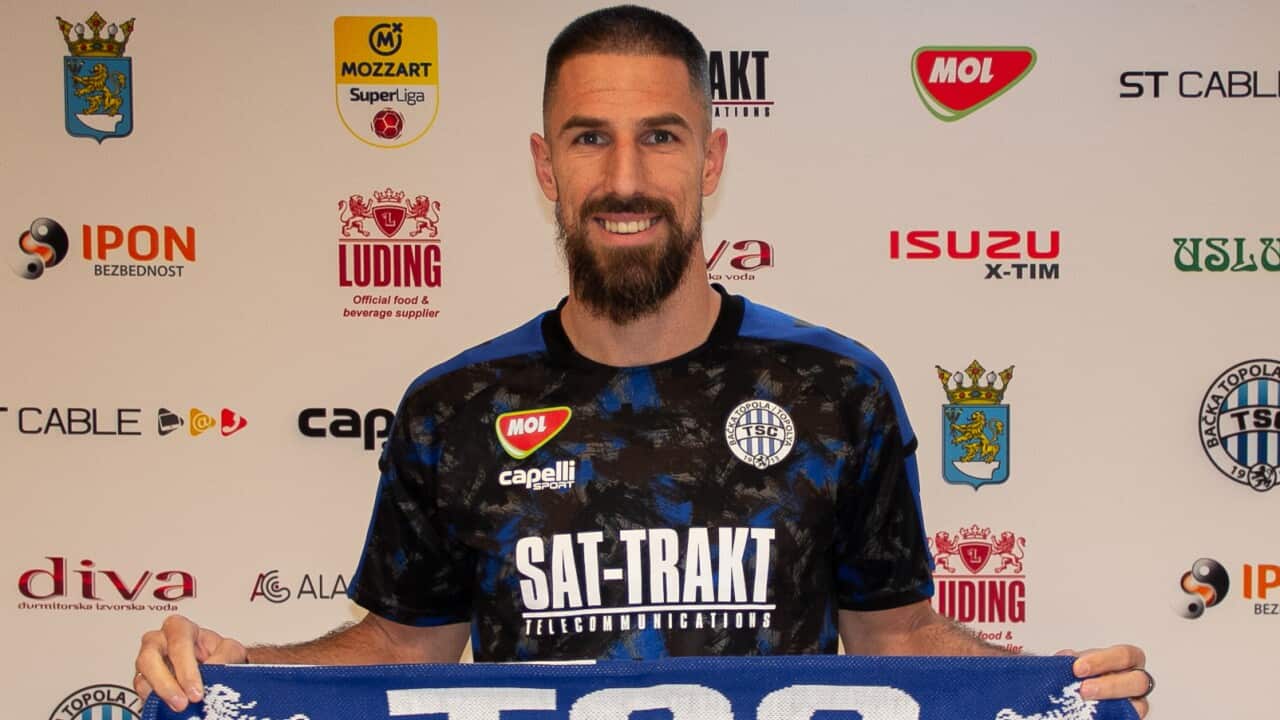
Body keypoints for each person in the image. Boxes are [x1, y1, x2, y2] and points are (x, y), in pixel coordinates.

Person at [134, 5, 1153, 717]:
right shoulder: (456, 408)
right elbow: (402, 648)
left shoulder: (835, 391)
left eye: (659, 137)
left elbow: (897, 641)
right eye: (588, 139)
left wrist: (1060, 687)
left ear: (710, 157)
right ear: (545, 164)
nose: (625, 178)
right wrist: (235, 670)